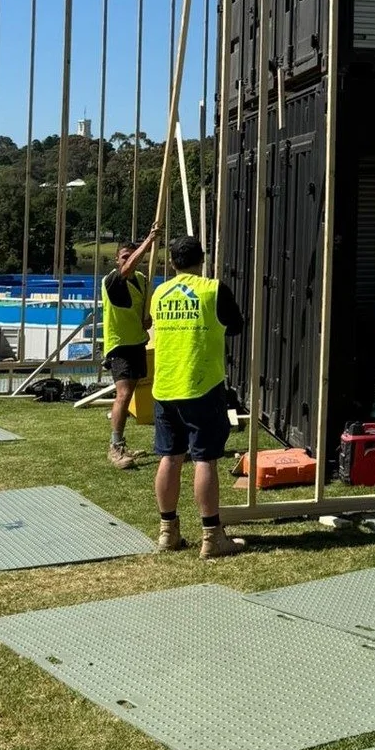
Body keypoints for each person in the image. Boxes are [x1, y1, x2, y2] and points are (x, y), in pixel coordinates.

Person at [149, 233, 245, 559]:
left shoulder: (159, 293)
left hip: (165, 385)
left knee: (170, 457)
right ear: (201, 260)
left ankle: (167, 531)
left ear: (172, 261)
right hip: (201, 384)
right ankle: (211, 536)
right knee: (204, 459)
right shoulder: (212, 290)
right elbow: (236, 326)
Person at [100, 226, 159, 469]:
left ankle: (122, 442)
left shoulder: (143, 281)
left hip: (137, 342)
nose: (128, 259)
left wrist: (147, 320)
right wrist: (149, 241)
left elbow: (144, 314)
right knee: (123, 394)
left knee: (131, 393)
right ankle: (115, 447)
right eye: (124, 256)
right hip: (119, 345)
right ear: (117, 259)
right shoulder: (113, 280)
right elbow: (126, 269)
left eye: (130, 255)